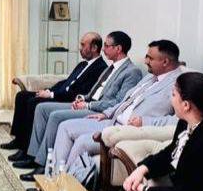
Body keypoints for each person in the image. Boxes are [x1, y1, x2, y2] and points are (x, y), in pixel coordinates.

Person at [22, 40, 183, 183]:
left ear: (165, 61)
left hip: (127, 130)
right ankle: (52, 179)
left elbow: (180, 121)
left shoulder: (179, 84)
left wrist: (145, 121)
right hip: (111, 120)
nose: (145, 61)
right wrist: (107, 113)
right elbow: (125, 101)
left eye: (150, 58)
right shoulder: (151, 77)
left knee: (82, 141)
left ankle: (64, 187)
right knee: (65, 126)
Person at [12, 30, 144, 169]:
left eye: (106, 45)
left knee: (55, 116)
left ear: (118, 48)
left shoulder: (131, 72)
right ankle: (32, 155)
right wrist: (82, 98)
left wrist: (88, 105)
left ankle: (42, 163)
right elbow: (95, 90)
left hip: (99, 111)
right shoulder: (111, 67)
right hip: (87, 103)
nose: (103, 49)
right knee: (41, 108)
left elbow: (119, 102)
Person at [0, 32, 106, 151]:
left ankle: (26, 147)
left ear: (94, 48)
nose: (80, 48)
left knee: (33, 102)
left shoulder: (100, 68)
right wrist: (48, 90)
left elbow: (80, 92)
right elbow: (66, 82)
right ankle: (18, 140)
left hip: (67, 99)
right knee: (21, 96)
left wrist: (51, 95)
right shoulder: (82, 64)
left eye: (83, 45)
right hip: (59, 94)